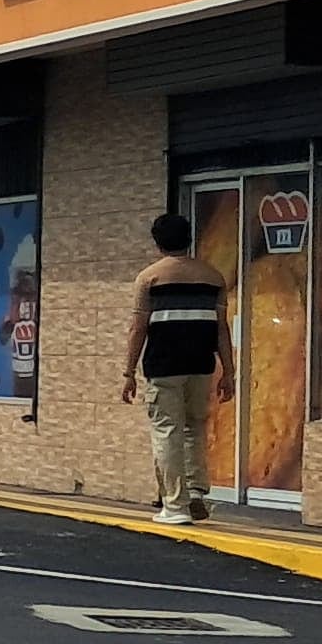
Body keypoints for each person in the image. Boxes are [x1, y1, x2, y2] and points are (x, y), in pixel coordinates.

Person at [119, 209, 235, 525]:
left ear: (157, 243)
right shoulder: (213, 277)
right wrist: (229, 371)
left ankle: (175, 505)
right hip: (201, 364)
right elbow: (221, 328)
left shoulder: (149, 278)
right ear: (189, 238)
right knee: (194, 426)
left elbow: (138, 328)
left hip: (163, 365)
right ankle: (196, 491)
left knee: (167, 430)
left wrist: (128, 373)